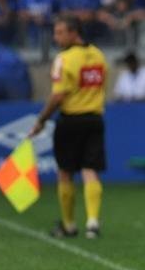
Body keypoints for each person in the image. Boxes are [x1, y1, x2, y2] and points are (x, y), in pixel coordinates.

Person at [27, 16, 107, 239]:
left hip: (71, 120)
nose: (56, 37)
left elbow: (58, 95)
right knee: (90, 171)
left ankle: (69, 225)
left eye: (60, 32)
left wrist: (42, 119)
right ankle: (92, 222)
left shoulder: (64, 59)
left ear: (74, 33)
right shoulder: (99, 56)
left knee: (65, 173)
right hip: (94, 119)